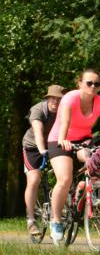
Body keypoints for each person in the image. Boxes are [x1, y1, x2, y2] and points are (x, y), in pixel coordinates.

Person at [46, 69, 100, 245]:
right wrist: (63, 139)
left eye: (96, 84)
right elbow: (65, 121)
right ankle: (56, 220)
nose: (93, 86)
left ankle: (87, 187)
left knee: (95, 157)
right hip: (59, 139)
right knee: (65, 178)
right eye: (89, 83)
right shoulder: (70, 98)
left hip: (83, 140)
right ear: (80, 83)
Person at [21, 84, 65, 236]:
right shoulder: (38, 110)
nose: (55, 102)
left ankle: (58, 213)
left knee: (64, 177)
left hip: (54, 145)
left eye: (59, 99)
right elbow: (38, 131)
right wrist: (42, 150)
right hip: (33, 147)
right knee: (34, 179)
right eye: (52, 98)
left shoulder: (64, 111)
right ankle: (31, 220)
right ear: (47, 99)